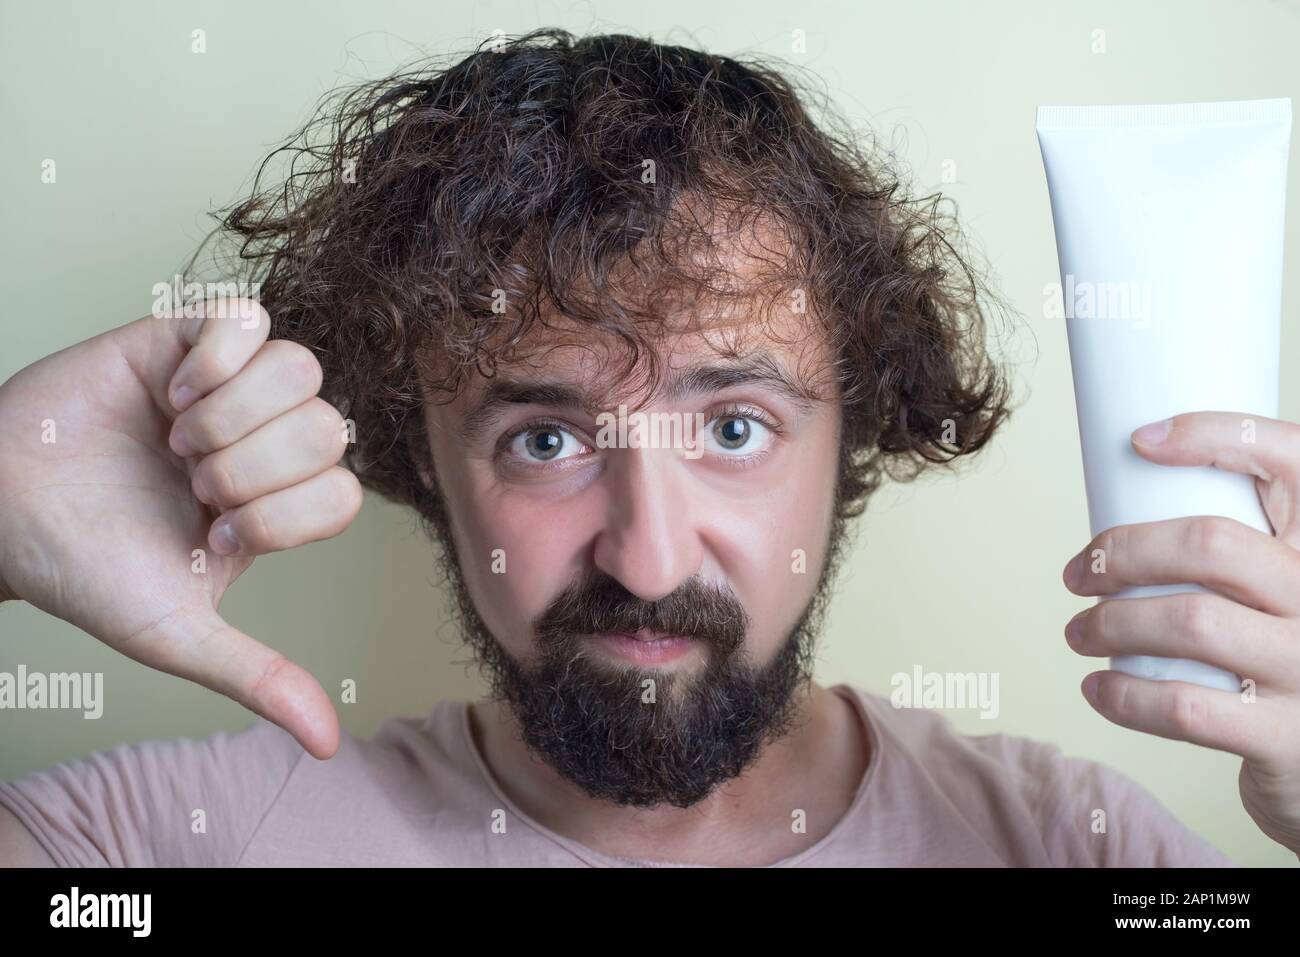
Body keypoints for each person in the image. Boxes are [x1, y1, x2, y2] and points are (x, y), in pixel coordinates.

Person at [2, 29, 1295, 867]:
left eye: (734, 428)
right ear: (423, 459)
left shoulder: (1083, 855)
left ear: (853, 440)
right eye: (548, 436)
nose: (650, 549)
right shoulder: (163, 853)